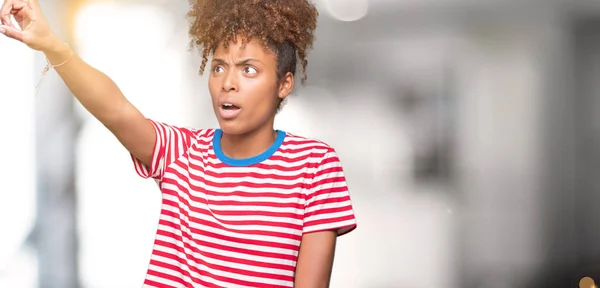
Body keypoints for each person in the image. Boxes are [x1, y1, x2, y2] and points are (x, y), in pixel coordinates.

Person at [1, 0, 357, 287]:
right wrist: (50, 43)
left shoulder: (314, 165)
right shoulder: (183, 154)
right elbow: (117, 110)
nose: (228, 83)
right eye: (218, 67)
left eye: (248, 69)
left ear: (284, 83)